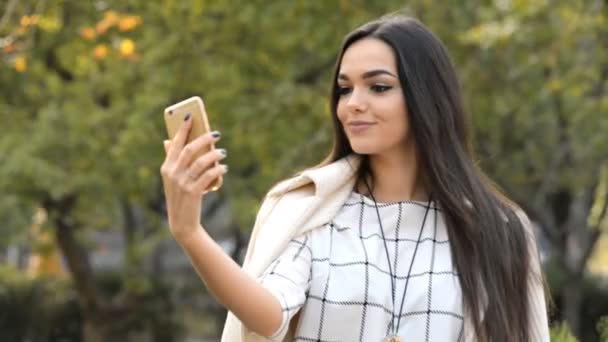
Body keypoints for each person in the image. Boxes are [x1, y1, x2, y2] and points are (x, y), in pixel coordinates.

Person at [160, 15, 550, 342]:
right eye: (345, 89)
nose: (353, 104)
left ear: (427, 98)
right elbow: (269, 315)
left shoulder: (497, 229)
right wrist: (190, 232)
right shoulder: (309, 208)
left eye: (378, 87)